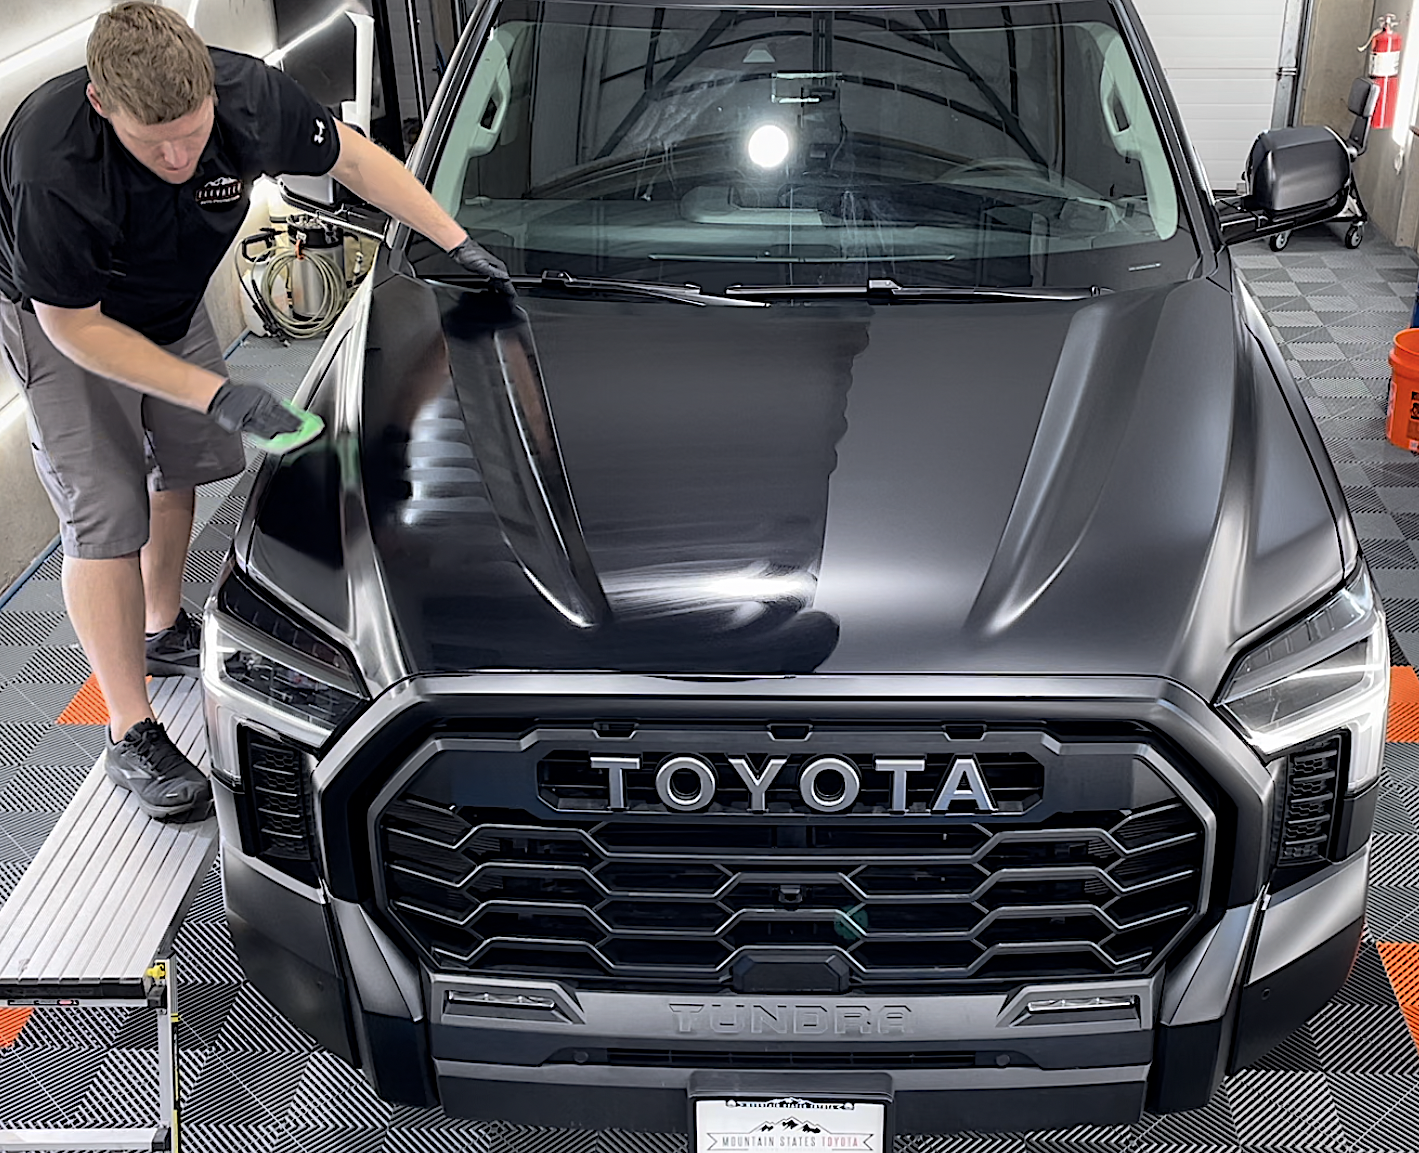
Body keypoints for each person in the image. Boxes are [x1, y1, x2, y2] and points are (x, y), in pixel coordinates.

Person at [0, 2, 511, 821]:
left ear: (212, 89)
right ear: (102, 105)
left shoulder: (251, 96)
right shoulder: (50, 160)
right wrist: (217, 390)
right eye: (150, 140)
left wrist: (451, 241)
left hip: (167, 296)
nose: (176, 155)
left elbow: (355, 161)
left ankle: (161, 622)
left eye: (191, 133)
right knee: (104, 510)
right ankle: (128, 727)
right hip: (69, 319)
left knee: (190, 464)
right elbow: (74, 326)